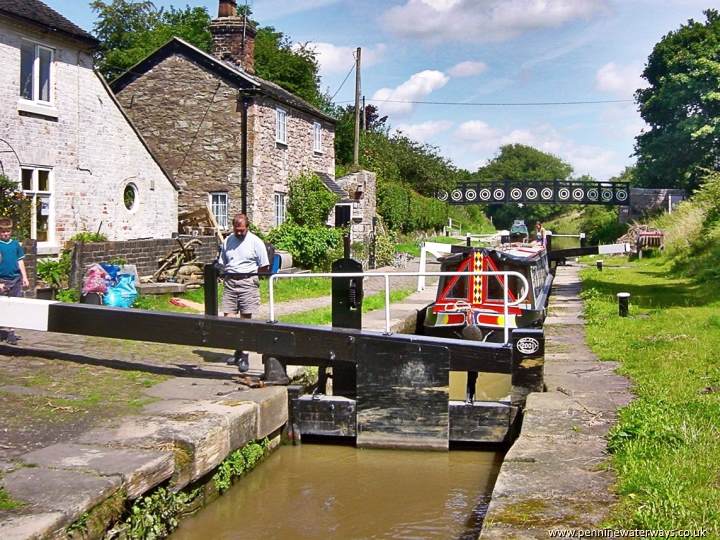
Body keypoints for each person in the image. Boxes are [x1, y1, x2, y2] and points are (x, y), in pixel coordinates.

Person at [217, 214, 269, 372]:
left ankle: (245, 355)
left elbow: (264, 265)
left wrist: (251, 276)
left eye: (242, 230)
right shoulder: (228, 241)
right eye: (237, 230)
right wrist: (222, 272)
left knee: (245, 320)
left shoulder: (256, 242)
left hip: (248, 282)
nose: (239, 233)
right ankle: (238, 350)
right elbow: (222, 261)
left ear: (247, 228)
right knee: (229, 319)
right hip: (230, 282)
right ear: (233, 228)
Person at [0, 217, 30, 345]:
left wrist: (24, 277)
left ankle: (11, 332)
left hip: (16, 278)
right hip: (2, 279)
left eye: (7, 231)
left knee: (14, 305)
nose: (5, 234)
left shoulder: (15, 244)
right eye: (2, 232)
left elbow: (20, 261)